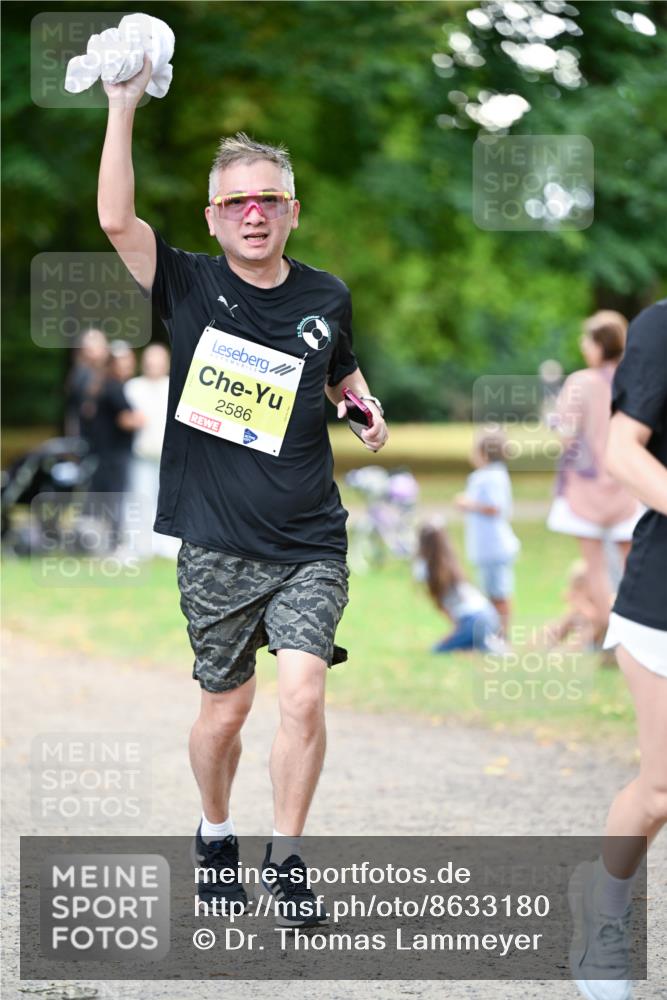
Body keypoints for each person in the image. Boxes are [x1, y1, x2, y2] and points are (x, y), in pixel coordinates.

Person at [97, 58, 388, 924]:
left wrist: (363, 408)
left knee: (302, 690)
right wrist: (122, 106)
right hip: (217, 538)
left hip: (309, 536)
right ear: (214, 217)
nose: (253, 213)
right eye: (236, 203)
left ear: (292, 210)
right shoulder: (185, 283)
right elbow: (116, 217)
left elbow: (341, 376)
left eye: (269, 199)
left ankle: (288, 857)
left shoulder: (326, 295)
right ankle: (215, 830)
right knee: (224, 712)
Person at [568, 300, 667, 1000]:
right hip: (660, 600)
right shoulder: (663, 326)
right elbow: (620, 448)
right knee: (661, 789)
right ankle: (603, 909)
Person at [547, 310, 641, 641]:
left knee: (596, 567)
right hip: (628, 485)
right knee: (633, 567)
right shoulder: (636, 379)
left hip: (586, 490)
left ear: (601, 344)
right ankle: (638, 630)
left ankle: (605, 626)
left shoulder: (581, 382)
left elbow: (567, 436)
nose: (583, 345)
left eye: (587, 340)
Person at [78, 340, 144, 551]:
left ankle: (99, 543)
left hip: (102, 454)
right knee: (115, 499)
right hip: (115, 454)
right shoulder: (114, 387)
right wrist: (142, 419)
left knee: (101, 499)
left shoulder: (99, 385)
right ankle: (114, 545)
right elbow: (126, 420)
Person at [454, 430, 520, 636]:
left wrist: (468, 503)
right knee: (490, 592)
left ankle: (502, 635)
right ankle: (492, 633)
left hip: (495, 547)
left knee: (499, 593)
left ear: (484, 453)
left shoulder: (490, 477)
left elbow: (495, 507)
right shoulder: (490, 476)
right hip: (485, 547)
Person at [124, 343, 180, 559]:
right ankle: (140, 545)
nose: (153, 365)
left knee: (168, 501)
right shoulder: (133, 387)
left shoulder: (174, 386)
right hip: (140, 455)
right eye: (150, 361)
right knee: (140, 499)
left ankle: (168, 545)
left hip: (168, 457)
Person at [415, 523, 501, 653]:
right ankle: (483, 644)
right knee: (470, 643)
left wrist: (453, 634)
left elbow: (443, 607)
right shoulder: (453, 565)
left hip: (472, 622)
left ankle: (482, 646)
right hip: (490, 616)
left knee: (437, 650)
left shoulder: (428, 571)